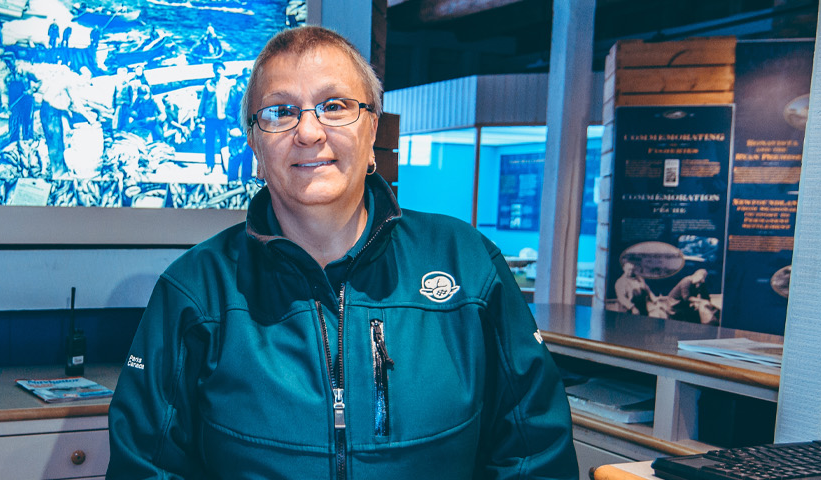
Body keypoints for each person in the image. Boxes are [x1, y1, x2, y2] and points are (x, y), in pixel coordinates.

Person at [108, 26, 576, 479]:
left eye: (334, 106)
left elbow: (534, 455)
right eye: (279, 111)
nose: (309, 131)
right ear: (255, 144)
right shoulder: (195, 290)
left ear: (372, 130)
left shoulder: (469, 265)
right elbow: (147, 468)